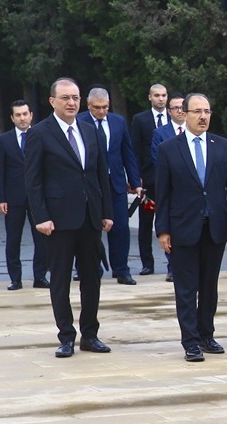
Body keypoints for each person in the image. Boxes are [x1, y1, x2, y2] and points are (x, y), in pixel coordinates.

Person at [24, 78, 114, 358]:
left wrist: (107, 212)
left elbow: (100, 174)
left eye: (75, 97)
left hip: (90, 218)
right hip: (58, 221)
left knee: (92, 279)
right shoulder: (40, 133)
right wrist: (41, 216)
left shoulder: (89, 130)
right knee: (60, 280)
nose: (71, 102)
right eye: (65, 98)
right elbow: (33, 180)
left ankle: (90, 335)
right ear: (52, 101)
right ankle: (66, 336)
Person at [154, 93, 227, 362]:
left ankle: (207, 335)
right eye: (197, 111)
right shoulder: (169, 149)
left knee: (209, 286)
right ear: (184, 114)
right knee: (186, 288)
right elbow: (163, 193)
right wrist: (163, 230)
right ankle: (191, 341)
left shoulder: (223, 146)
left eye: (207, 111)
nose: (203, 116)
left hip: (214, 227)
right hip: (182, 228)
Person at [79, 87, 143, 285]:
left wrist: (135, 182)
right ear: (88, 105)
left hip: (115, 183)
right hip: (90, 184)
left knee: (121, 227)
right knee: (90, 230)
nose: (101, 111)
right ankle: (91, 269)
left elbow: (127, 152)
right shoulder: (79, 122)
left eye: (105, 107)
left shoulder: (118, 122)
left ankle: (121, 269)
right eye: (97, 107)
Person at [0, 100, 49, 290]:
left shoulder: (42, 136)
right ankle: (15, 279)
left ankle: (40, 276)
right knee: (13, 239)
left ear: (31, 115)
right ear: (12, 118)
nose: (22, 118)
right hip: (13, 197)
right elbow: (0, 171)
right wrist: (1, 198)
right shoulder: (4, 140)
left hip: (38, 197)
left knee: (42, 238)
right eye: (18, 115)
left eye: (25, 114)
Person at [130, 83, 169, 275]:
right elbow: (135, 150)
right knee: (146, 223)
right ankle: (147, 263)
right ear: (150, 97)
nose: (160, 99)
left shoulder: (174, 118)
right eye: (157, 95)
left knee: (170, 221)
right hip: (148, 181)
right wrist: (136, 178)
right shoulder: (140, 120)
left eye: (163, 95)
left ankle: (172, 265)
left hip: (169, 180)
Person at [151, 93, 187, 282]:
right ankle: (172, 267)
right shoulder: (160, 133)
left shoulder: (195, 131)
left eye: (182, 107)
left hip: (192, 189)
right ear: (169, 111)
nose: (180, 111)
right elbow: (157, 159)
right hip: (171, 187)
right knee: (170, 228)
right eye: (175, 108)